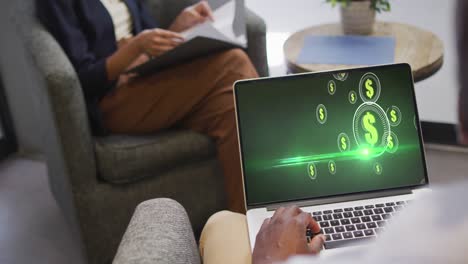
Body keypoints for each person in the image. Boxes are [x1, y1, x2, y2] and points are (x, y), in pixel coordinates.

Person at [199, 1, 468, 263]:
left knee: (222, 222)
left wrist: (272, 259)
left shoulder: (420, 238)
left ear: (461, 118)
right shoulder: (429, 224)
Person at [37, 0, 259, 213]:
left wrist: (176, 28)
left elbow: (147, 38)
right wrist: (134, 48)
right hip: (112, 97)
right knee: (235, 63)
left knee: (232, 107)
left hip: (147, 75)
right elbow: (82, 80)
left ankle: (253, 229)